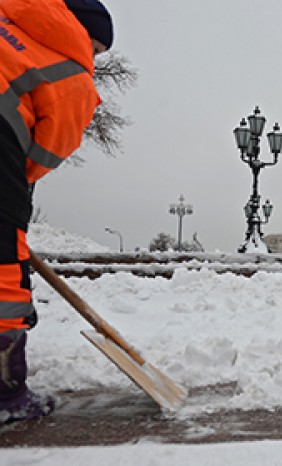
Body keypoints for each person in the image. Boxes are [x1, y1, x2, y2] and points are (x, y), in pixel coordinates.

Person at [0, 0, 113, 423]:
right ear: (88, 37)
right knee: (3, 265)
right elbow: (47, 151)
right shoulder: (71, 74)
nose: (96, 61)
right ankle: (5, 394)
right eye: (99, 51)